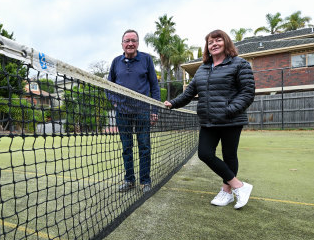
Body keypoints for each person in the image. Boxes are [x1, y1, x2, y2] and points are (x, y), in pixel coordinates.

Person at [164, 29, 255, 209]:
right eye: (210, 42)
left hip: (231, 120)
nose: (213, 44)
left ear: (226, 42)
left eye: (218, 40)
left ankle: (227, 192)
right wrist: (172, 103)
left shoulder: (240, 64)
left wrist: (229, 110)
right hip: (208, 121)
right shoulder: (202, 69)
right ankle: (239, 186)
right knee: (205, 154)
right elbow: (189, 93)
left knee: (229, 156)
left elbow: (247, 93)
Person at [107, 29, 161, 194]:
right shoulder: (116, 62)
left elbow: (154, 86)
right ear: (122, 44)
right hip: (122, 113)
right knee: (126, 148)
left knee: (144, 146)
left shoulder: (146, 59)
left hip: (143, 111)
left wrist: (155, 110)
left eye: (133, 40)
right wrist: (115, 103)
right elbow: (108, 87)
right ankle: (129, 180)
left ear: (138, 43)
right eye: (127, 41)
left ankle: (145, 182)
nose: (130, 43)